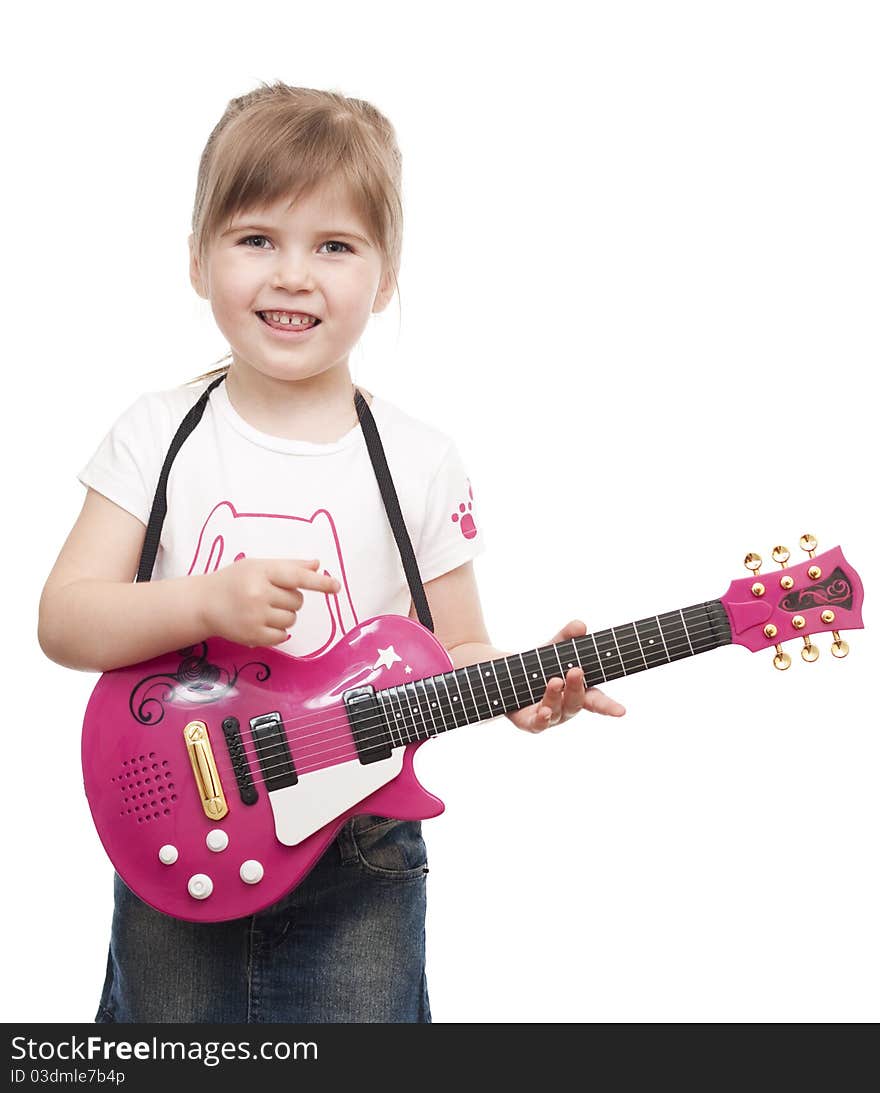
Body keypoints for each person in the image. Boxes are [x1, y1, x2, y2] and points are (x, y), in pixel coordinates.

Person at [37, 81, 626, 1024]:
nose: (293, 275)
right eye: (256, 238)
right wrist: (205, 604)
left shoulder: (422, 461)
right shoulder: (157, 434)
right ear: (197, 259)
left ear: (385, 277)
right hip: (190, 819)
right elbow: (64, 618)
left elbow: (456, 650)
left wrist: (523, 687)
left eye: (335, 246)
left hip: (364, 851)